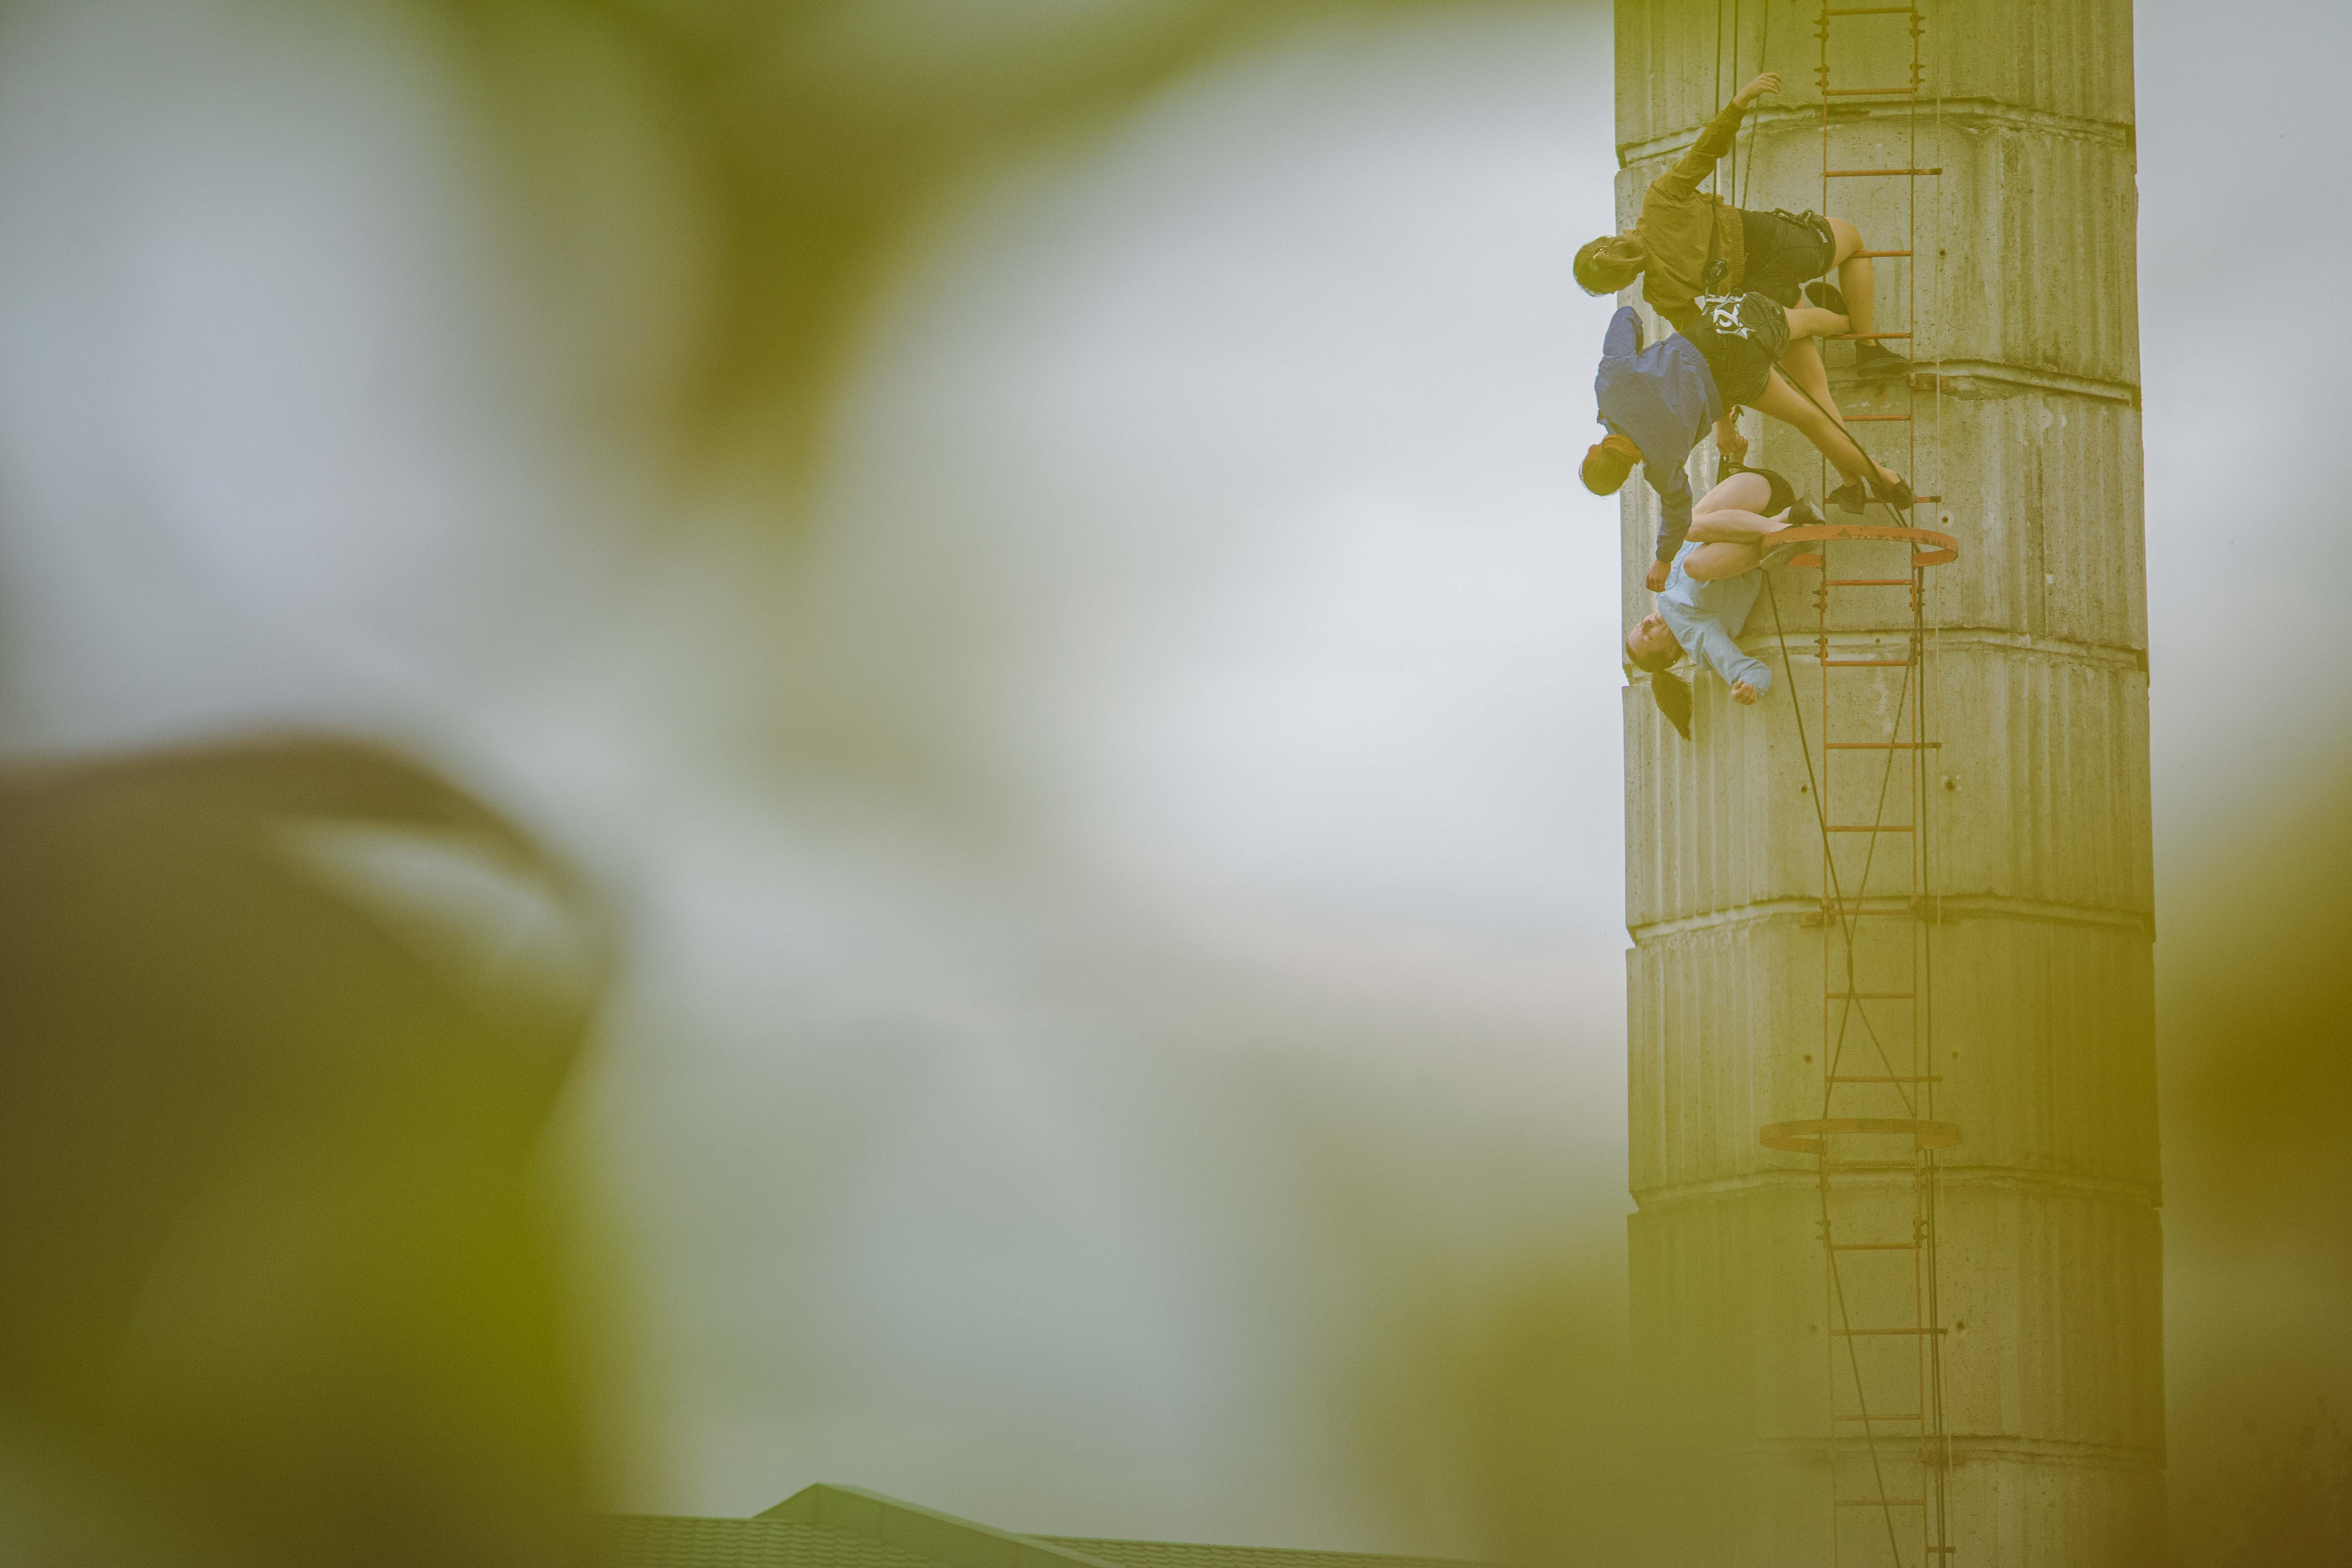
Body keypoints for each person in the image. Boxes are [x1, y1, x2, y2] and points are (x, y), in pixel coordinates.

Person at [1572, 71, 1906, 376]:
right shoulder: (1658, 203)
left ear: (1621, 282)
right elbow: (1703, 155)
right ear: (1608, 240)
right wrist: (1739, 103)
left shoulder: (1659, 294)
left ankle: (1841, 324)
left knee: (1798, 338)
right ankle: (1867, 345)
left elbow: (1702, 337)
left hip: (1752, 292)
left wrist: (1725, 395)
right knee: (1853, 243)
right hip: (1775, 241)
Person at [1679, 286, 1913, 514]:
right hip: (1749, 319)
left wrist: (1723, 421)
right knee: (1811, 336)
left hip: (1729, 369)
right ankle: (1850, 324)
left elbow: (1700, 356)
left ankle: (1863, 482)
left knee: (1812, 419)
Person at [1625, 465, 1818, 738]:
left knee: (1688, 524)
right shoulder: (1696, 635)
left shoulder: (1665, 587)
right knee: (1693, 563)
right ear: (1669, 653)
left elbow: (1713, 526)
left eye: (1640, 624)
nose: (1647, 623)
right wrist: (1749, 686)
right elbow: (1749, 670)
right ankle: (1784, 527)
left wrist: (1734, 458)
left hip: (1764, 493)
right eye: (1647, 635)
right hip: (1765, 520)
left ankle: (1785, 524)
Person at [1584, 304, 1745, 591]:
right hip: (1706, 338)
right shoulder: (1609, 390)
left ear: (1625, 475)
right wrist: (1643, 360)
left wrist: (1664, 560)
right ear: (1593, 449)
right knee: (1797, 323)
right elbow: (1626, 315)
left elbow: (1679, 514)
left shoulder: (1661, 470)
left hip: (1734, 382)